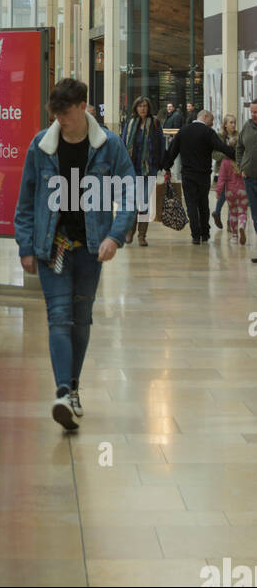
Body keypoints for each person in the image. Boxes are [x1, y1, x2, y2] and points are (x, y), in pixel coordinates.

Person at [15, 78, 136, 432]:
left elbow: (129, 192)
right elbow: (26, 200)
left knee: (81, 319)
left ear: (82, 106)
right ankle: (64, 391)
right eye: (56, 115)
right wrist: (25, 245)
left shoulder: (109, 146)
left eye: (65, 113)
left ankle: (74, 388)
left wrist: (115, 236)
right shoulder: (41, 146)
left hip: (91, 248)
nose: (61, 121)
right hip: (53, 246)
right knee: (59, 316)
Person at [165, 111, 235, 245]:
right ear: (204, 117)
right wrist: (236, 155)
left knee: (191, 204)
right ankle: (205, 233)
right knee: (203, 204)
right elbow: (221, 147)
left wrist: (166, 165)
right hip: (203, 175)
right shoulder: (208, 132)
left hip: (188, 175)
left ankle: (195, 235)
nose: (212, 123)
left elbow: (173, 150)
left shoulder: (183, 131)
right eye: (212, 120)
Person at [119, 96, 165, 248]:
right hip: (133, 169)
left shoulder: (155, 123)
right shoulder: (130, 124)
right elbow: (124, 145)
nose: (143, 109)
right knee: (133, 201)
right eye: (140, 106)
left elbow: (161, 144)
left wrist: (161, 164)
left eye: (145, 106)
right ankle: (130, 231)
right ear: (135, 108)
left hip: (149, 169)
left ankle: (142, 235)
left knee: (144, 200)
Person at [235, 100, 257, 261]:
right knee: (255, 216)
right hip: (249, 177)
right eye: (253, 112)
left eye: (256, 112)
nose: (254, 115)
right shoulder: (247, 127)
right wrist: (241, 166)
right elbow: (239, 147)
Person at [215, 148, 249, 246]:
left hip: (230, 192)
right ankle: (241, 226)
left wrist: (218, 191)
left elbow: (221, 178)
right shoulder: (244, 160)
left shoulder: (225, 162)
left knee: (233, 213)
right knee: (242, 212)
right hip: (243, 190)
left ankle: (234, 236)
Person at [212, 114, 238, 229]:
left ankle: (229, 221)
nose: (233, 125)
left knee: (232, 195)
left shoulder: (238, 136)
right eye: (231, 122)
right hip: (222, 169)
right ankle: (217, 213)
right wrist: (227, 155)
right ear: (225, 125)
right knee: (223, 193)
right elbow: (214, 154)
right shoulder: (219, 137)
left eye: (234, 122)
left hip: (234, 170)